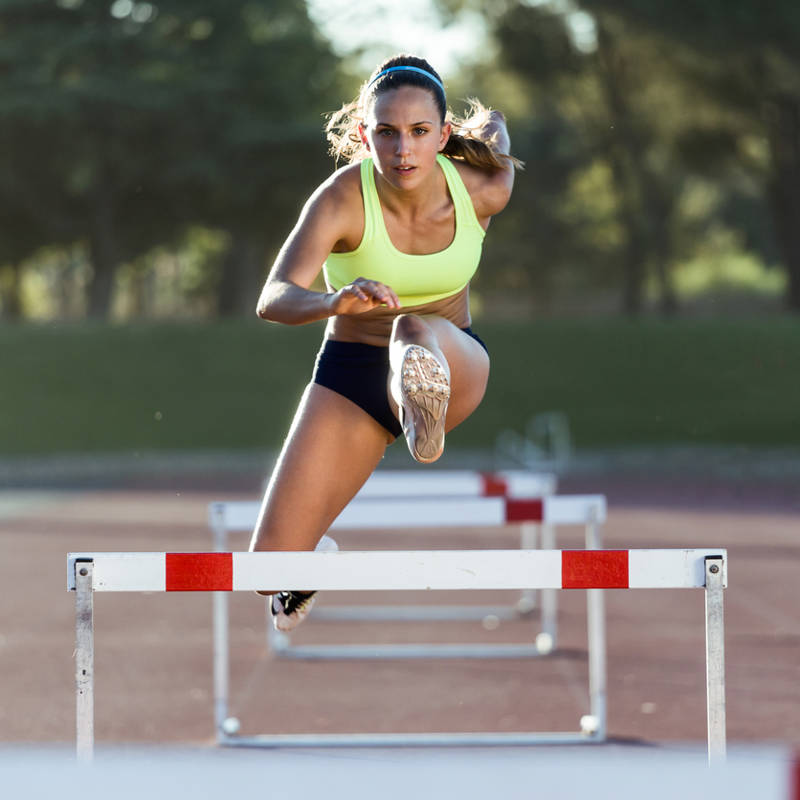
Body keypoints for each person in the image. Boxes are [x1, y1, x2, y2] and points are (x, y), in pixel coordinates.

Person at [248, 54, 519, 632]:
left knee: (411, 327)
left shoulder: (479, 190)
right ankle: (311, 559)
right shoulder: (341, 199)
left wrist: (493, 123)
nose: (404, 152)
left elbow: (500, 153)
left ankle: (423, 401)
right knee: (266, 571)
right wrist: (331, 301)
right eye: (387, 133)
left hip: (453, 360)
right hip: (353, 373)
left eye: (421, 133)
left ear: (444, 135)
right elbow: (273, 296)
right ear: (362, 134)